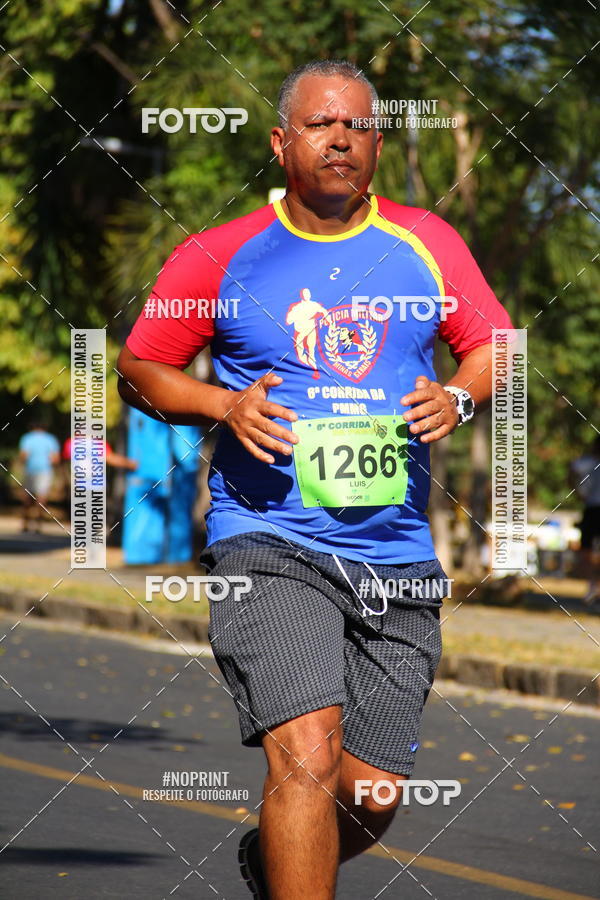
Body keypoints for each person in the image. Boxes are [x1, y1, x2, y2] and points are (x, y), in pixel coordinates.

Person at [117, 59, 513, 900]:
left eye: (359, 126)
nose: (342, 139)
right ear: (280, 141)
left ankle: (272, 866)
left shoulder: (425, 243)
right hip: (268, 538)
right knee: (306, 749)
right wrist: (223, 407)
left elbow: (495, 350)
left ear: (377, 141)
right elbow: (142, 367)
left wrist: (456, 395)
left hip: (394, 550)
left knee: (369, 794)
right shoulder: (219, 253)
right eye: (321, 124)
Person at [571, 435, 600, 604]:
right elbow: (572, 471)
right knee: (587, 551)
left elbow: (571, 471)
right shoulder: (588, 462)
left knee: (588, 552)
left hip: (591, 509)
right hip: (591, 508)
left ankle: (593, 588)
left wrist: (577, 491)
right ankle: (591, 588)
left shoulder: (586, 462)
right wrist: (578, 492)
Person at [18, 424, 60, 532]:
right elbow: (55, 458)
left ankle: (25, 524)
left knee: (27, 497)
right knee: (42, 498)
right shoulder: (50, 439)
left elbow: (24, 455)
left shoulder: (27, 438)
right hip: (45, 471)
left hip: (30, 470)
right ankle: (38, 525)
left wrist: (23, 464)